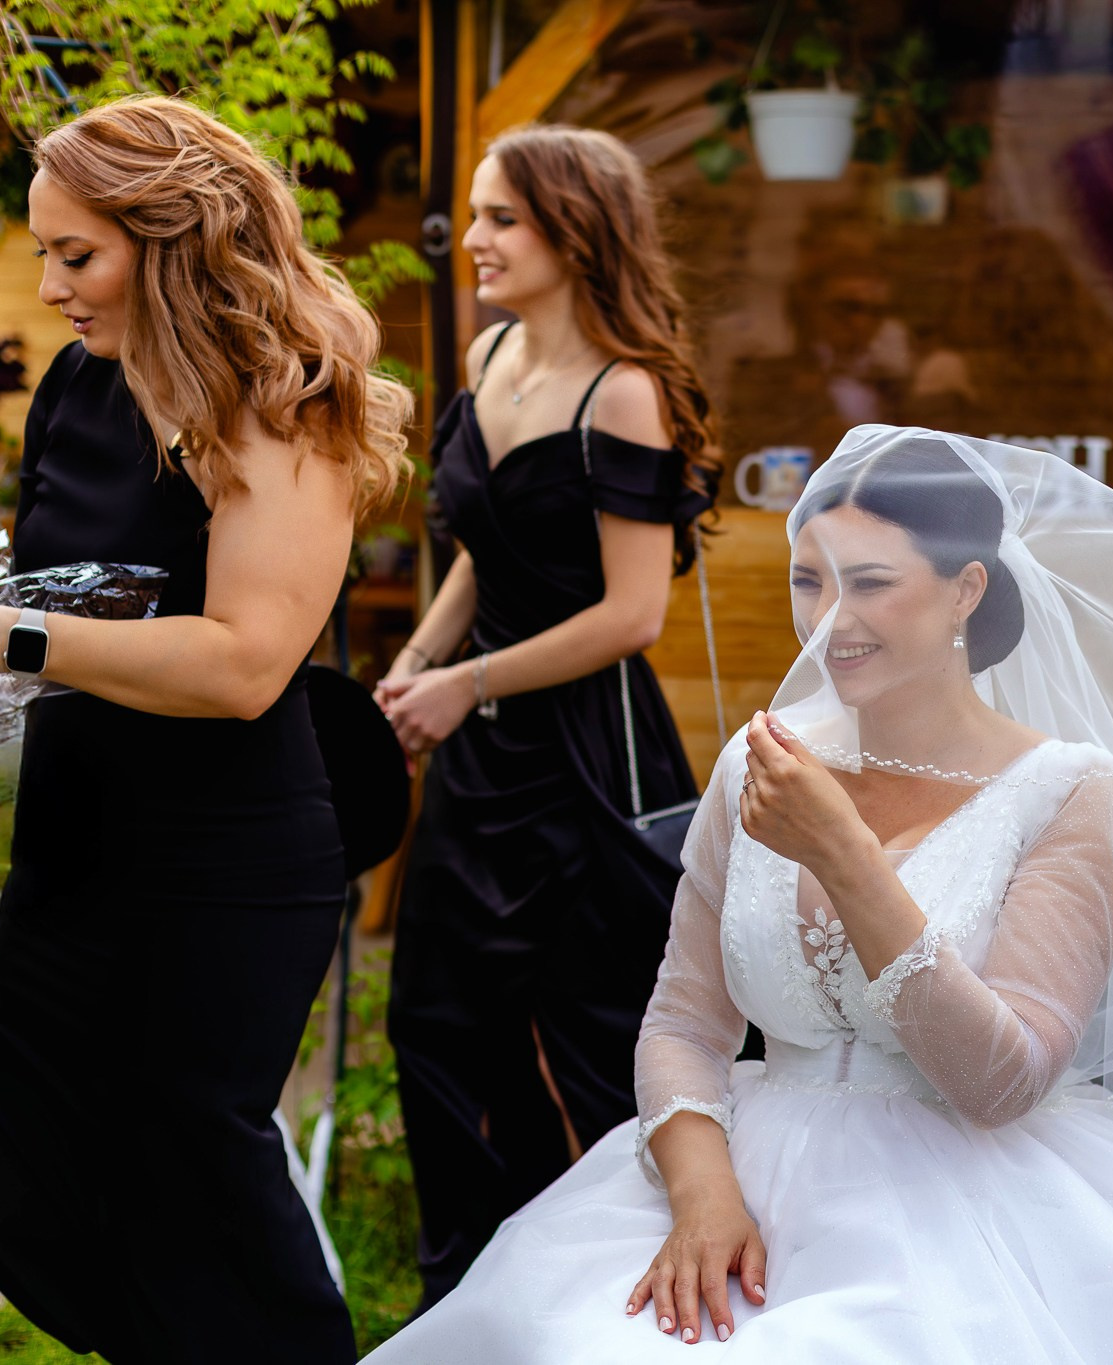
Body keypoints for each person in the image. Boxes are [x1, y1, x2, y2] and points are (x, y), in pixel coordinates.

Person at [366, 426, 1113, 1362]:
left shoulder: (1066, 792)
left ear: (965, 591)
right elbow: (681, 1022)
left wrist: (845, 859)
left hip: (968, 1206)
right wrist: (702, 1196)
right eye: (809, 581)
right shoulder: (760, 760)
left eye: (869, 583)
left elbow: (1000, 1083)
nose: (831, 620)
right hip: (743, 1174)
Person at [0, 95, 413, 1365]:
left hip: (223, 867)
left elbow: (248, 665)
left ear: (175, 241)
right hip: (76, 850)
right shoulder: (81, 383)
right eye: (43, 251)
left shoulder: (281, 399)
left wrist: (15, 640)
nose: (48, 286)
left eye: (75, 255)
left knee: (194, 1206)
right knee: (21, 1197)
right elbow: (61, 597)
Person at [373, 123, 718, 1311]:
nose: (471, 239)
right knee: (431, 1025)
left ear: (576, 229)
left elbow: (630, 616)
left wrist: (462, 683)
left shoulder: (625, 394)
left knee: (593, 1047)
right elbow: (481, 552)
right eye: (474, 214)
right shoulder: (487, 357)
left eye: (500, 218)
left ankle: (618, 1303)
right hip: (478, 762)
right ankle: (472, 1294)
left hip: (591, 769)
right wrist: (417, 662)